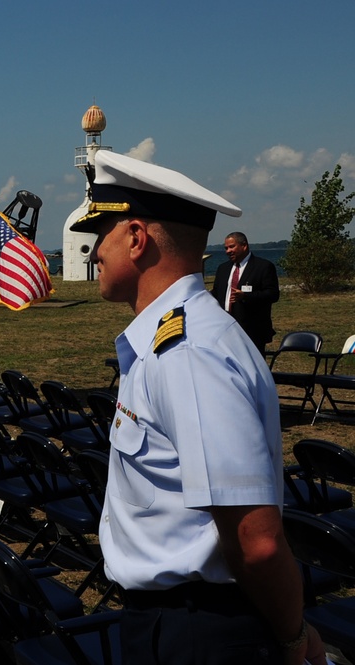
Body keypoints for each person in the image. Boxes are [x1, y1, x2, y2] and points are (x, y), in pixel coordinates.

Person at [70, 150, 327, 665]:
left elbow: (256, 541)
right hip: (170, 621)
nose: (94, 252)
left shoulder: (190, 354)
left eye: (103, 235)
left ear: (137, 239)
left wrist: (295, 640)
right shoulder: (168, 342)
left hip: (198, 631)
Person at [211, 231, 280, 350]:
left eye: (232, 246)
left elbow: (273, 295)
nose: (228, 251)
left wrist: (246, 296)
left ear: (244, 246)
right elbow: (216, 293)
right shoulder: (223, 269)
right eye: (226, 248)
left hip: (252, 330)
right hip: (225, 328)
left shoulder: (263, 267)